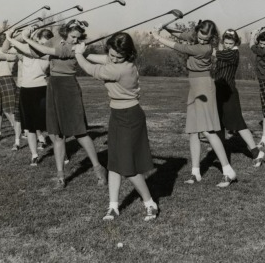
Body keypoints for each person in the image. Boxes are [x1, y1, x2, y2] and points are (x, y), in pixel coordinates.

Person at [74, 32, 158, 221]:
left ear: (127, 55)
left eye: (118, 57)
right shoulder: (119, 61)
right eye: (111, 54)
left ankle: (150, 203)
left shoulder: (120, 69)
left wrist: (79, 54)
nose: (113, 58)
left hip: (130, 116)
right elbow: (104, 58)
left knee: (128, 167)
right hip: (118, 115)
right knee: (114, 162)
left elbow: (93, 70)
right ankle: (113, 207)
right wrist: (83, 51)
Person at [21, 20, 107, 188]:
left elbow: (44, 50)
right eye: (73, 36)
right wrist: (17, 39)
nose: (75, 39)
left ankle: (98, 168)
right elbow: (34, 52)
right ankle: (60, 176)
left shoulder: (74, 47)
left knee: (79, 132)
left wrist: (25, 37)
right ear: (66, 32)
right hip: (53, 86)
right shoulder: (55, 40)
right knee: (56, 134)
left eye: (78, 37)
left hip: (69, 86)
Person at [152, 20, 237, 187]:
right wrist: (166, 27)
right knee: (193, 131)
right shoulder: (196, 38)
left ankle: (228, 171)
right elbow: (182, 35)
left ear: (211, 38)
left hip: (204, 86)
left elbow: (180, 47)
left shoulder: (204, 48)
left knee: (208, 131)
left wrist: (157, 36)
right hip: (194, 86)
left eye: (207, 39)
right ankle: (195, 172)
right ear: (197, 32)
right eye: (200, 37)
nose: (203, 41)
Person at [213, 29, 264, 166]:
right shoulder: (224, 50)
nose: (228, 45)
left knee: (238, 123)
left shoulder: (233, 53)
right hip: (219, 90)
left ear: (235, 42)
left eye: (230, 42)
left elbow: (214, 53)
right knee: (218, 122)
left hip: (229, 92)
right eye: (226, 42)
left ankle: (256, 152)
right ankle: (219, 147)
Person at [6, 28, 52, 166]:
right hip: (26, 89)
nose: (42, 43)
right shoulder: (25, 49)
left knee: (50, 125)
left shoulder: (47, 51)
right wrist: (12, 34)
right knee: (30, 126)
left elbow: (32, 50)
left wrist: (22, 37)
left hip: (41, 89)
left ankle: (63, 152)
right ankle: (34, 155)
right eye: (39, 40)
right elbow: (5, 49)